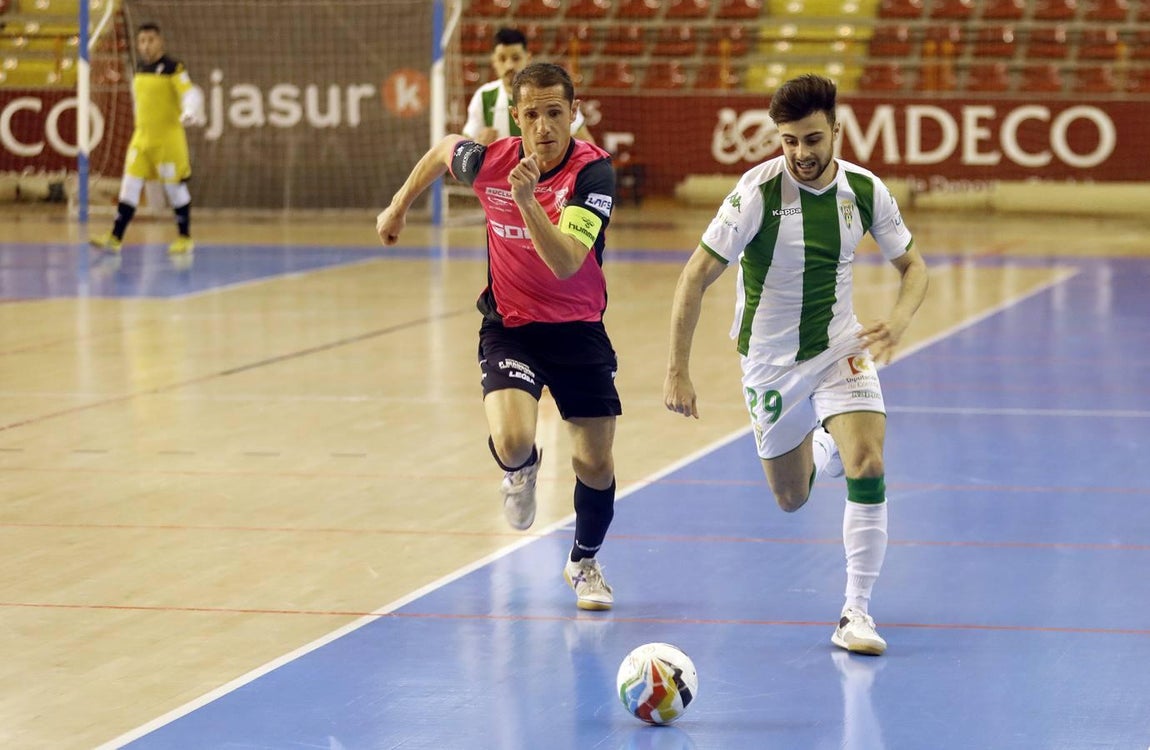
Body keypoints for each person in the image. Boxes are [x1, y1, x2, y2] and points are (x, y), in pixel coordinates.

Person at [663, 74, 928, 655]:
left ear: (836, 129)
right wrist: (678, 368)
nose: (801, 154)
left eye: (812, 139)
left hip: (840, 346)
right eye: (789, 142)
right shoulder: (755, 195)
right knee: (792, 498)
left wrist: (901, 320)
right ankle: (823, 448)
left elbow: (915, 267)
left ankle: (855, 611)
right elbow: (694, 277)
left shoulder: (864, 191)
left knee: (870, 461)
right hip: (770, 363)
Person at [377, 62, 620, 611]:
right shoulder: (491, 161)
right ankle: (522, 469)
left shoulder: (593, 175)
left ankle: (584, 562)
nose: (543, 127)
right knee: (512, 440)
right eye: (531, 115)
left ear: (574, 114)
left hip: (579, 331)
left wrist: (529, 201)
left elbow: (566, 262)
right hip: (511, 329)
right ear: (516, 117)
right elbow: (444, 148)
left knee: (594, 465)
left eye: (555, 113)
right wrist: (398, 206)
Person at [90, 22, 204, 256]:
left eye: (151, 40)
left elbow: (189, 92)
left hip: (167, 141)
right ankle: (115, 237)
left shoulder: (174, 68)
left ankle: (185, 238)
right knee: (129, 186)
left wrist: (190, 110)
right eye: (142, 41)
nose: (146, 45)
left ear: (160, 41)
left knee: (174, 190)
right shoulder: (140, 68)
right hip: (141, 139)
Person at [463, 27, 595, 146]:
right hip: (503, 173)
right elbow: (464, 144)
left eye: (516, 58)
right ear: (494, 61)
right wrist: (477, 145)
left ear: (528, 58)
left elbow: (588, 146)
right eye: (502, 59)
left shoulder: (552, 93)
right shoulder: (484, 96)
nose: (509, 66)